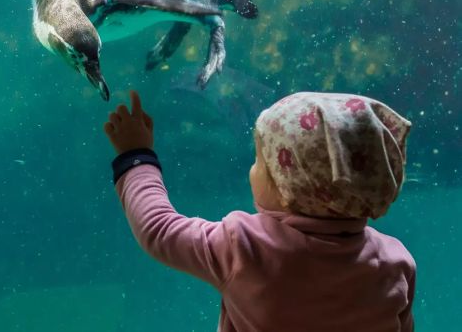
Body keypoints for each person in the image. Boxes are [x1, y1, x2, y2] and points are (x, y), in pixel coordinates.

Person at [103, 91, 416, 331]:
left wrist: (136, 155)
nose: (252, 170)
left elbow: (158, 228)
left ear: (288, 187)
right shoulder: (395, 263)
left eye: (260, 162)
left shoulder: (243, 245)